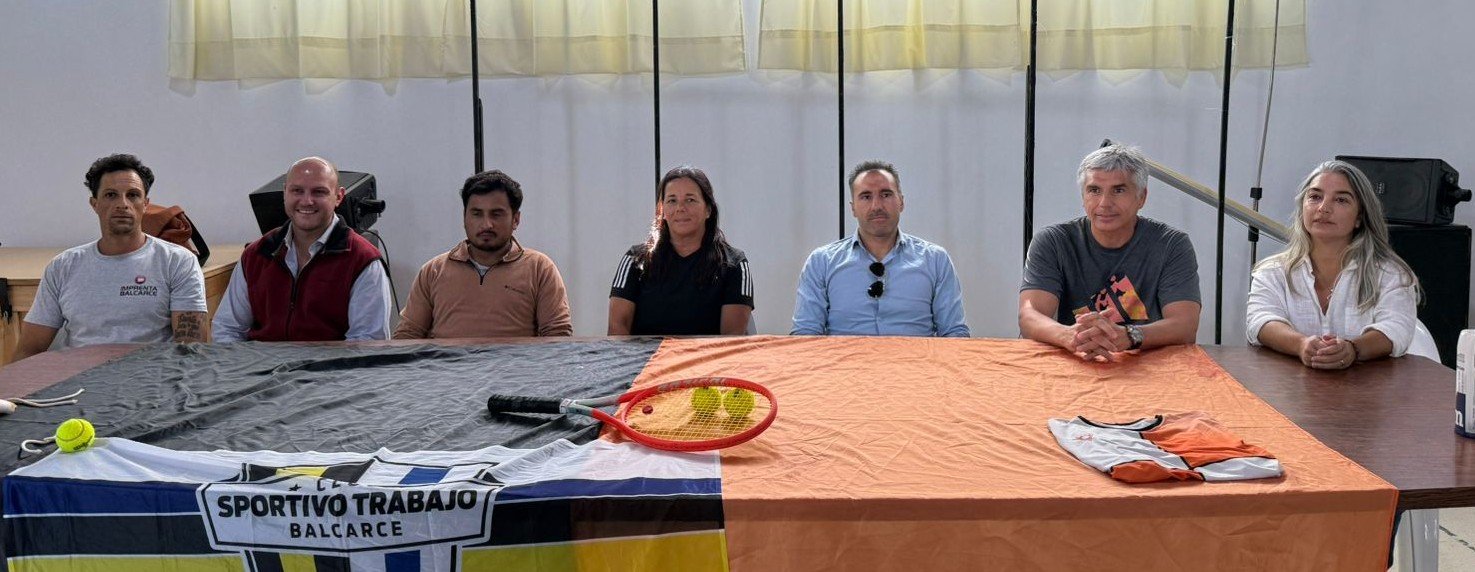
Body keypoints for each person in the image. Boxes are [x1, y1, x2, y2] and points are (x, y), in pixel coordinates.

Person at [14, 154, 208, 362]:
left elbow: (191, 352)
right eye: (110, 195)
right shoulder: (63, 266)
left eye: (133, 195)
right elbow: (29, 351)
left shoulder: (178, 262)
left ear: (145, 204)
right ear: (94, 204)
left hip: (153, 378)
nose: (122, 204)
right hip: (79, 378)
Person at [1246, 160, 1437, 368]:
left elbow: (1396, 328)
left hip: (1368, 387)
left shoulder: (1390, 274)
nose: (1324, 208)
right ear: (1302, 209)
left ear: (1359, 217)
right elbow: (1259, 321)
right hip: (1288, 386)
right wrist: (1301, 345)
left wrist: (1352, 349)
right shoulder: (1271, 272)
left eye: (1341, 200)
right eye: (1315, 197)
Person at [1019, 144, 1200, 359]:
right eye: (1094, 190)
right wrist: (1069, 336)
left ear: (1141, 197)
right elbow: (1029, 315)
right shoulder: (1052, 242)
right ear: (1083, 196)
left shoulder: (1171, 244)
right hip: (1073, 360)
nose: (1105, 203)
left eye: (1119, 190)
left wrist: (1129, 335)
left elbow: (1185, 326)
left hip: (1147, 367)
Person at [212, 157, 392, 342]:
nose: (307, 201)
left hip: (332, 361)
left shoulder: (363, 260)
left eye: (319, 192)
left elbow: (366, 343)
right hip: (260, 360)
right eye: (297, 191)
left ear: (338, 197)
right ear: (285, 193)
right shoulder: (256, 254)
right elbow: (227, 329)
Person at [791, 160, 969, 337]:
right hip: (846, 356)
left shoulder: (935, 260)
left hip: (913, 356)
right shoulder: (822, 262)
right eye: (866, 197)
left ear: (901, 202)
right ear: (853, 208)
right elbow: (805, 336)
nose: (876, 206)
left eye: (886, 195)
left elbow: (954, 333)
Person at [394, 170, 572, 338]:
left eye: (496, 214)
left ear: (516, 219)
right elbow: (407, 336)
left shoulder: (540, 268)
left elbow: (558, 337)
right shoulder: (433, 271)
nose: (487, 224)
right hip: (448, 362)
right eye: (477, 214)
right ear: (465, 217)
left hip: (516, 362)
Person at [609, 166, 753, 335]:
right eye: (672, 200)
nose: (680, 208)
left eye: (690, 200)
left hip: (708, 353)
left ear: (708, 209)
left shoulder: (734, 264)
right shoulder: (635, 260)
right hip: (648, 354)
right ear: (662, 211)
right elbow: (617, 330)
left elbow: (731, 340)